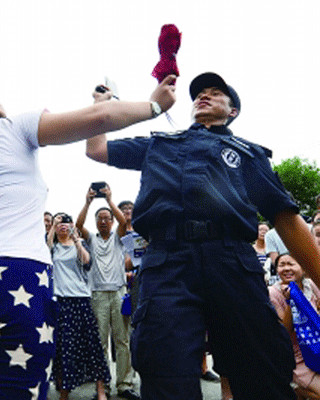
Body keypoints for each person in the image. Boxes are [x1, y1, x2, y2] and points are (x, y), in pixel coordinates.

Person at [0, 75, 176, 399]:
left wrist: (100, 103)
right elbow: (97, 121)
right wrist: (155, 105)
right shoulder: (13, 128)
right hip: (10, 281)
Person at [85, 71, 320, 399]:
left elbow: (288, 220)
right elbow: (96, 149)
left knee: (261, 369)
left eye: (216, 92)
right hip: (167, 265)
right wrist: (102, 104)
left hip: (233, 263)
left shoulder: (248, 154)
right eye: (199, 93)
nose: (203, 96)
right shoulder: (159, 144)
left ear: (232, 111)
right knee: (164, 369)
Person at [75, 185, 139, 400]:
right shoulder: (91, 239)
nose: (104, 221)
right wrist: (88, 202)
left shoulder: (118, 236)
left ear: (111, 221)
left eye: (107, 218)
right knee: (100, 342)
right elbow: (78, 225)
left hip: (119, 292)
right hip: (98, 295)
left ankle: (125, 385)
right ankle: (103, 388)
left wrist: (110, 200)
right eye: (100, 218)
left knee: (122, 342)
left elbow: (124, 222)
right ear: (96, 222)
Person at [48, 213, 110, 400]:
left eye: (66, 222)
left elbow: (87, 262)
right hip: (61, 301)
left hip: (81, 300)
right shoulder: (53, 248)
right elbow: (46, 248)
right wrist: (53, 225)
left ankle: (100, 390)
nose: (63, 225)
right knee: (65, 347)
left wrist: (76, 240)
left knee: (92, 345)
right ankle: (64, 391)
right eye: (59, 223)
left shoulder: (80, 244)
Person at [268, 253, 320, 399]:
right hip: (296, 356)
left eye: (291, 264)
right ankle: (298, 392)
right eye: (281, 265)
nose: (286, 268)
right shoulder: (273, 293)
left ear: (303, 269)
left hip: (316, 346)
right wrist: (292, 302)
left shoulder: (311, 286)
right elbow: (283, 331)